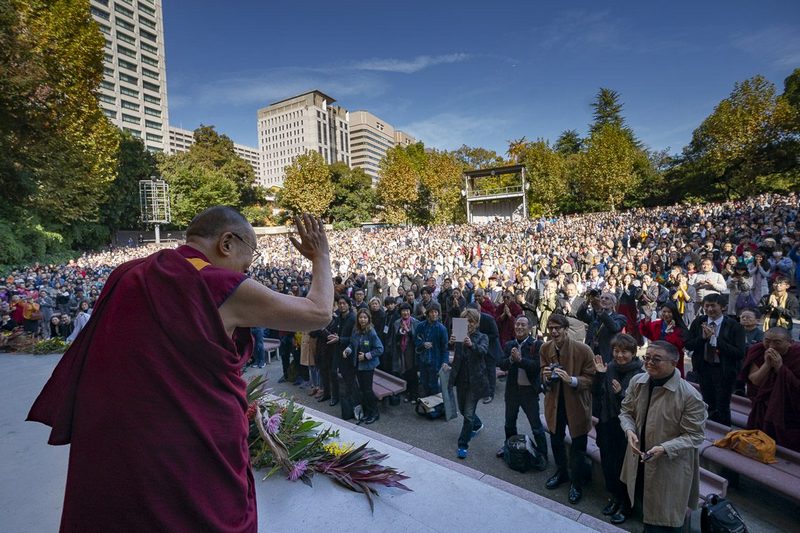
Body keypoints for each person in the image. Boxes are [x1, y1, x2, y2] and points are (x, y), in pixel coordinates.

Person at [28, 208, 332, 532]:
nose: (247, 273)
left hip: (117, 441)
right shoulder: (216, 282)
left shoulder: (129, 273)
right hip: (186, 446)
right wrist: (321, 256)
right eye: (247, 264)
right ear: (226, 243)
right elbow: (317, 313)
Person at [619, 340, 707, 532]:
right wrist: (629, 430)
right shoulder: (638, 382)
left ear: (674, 363)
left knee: (665, 518)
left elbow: (694, 436)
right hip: (640, 459)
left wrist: (665, 448)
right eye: (647, 358)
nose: (649, 363)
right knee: (645, 507)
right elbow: (626, 411)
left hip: (669, 466)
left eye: (656, 360)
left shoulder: (689, 396)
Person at [540, 314, 595, 504]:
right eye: (551, 328)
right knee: (556, 441)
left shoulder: (583, 350)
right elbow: (542, 374)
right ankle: (561, 472)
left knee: (578, 447)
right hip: (554, 404)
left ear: (565, 329)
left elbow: (591, 378)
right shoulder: (545, 348)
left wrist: (571, 380)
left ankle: (576, 483)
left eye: (558, 328)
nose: (554, 332)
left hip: (577, 405)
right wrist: (546, 376)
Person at [592, 334, 644, 525]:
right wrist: (599, 375)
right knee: (608, 464)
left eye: (624, 351)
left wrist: (620, 394)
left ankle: (626, 505)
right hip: (607, 423)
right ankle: (614, 497)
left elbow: (638, 407)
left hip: (627, 429)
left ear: (633, 353)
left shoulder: (639, 374)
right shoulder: (610, 367)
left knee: (625, 468)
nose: (619, 355)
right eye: (616, 351)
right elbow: (596, 394)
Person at [685, 293, 746, 426]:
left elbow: (739, 352)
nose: (710, 309)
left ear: (723, 307)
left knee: (723, 405)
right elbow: (688, 344)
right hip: (704, 367)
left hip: (724, 370)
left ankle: (724, 434)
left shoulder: (734, 326)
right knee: (707, 402)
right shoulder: (699, 322)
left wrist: (715, 340)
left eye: (713, 306)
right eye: (707, 306)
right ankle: (711, 432)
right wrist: (703, 338)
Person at [496, 316, 547, 460]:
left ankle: (542, 453)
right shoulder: (509, 344)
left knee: (536, 425)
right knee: (509, 423)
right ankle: (510, 447)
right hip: (512, 390)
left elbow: (536, 367)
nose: (519, 327)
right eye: (517, 324)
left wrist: (520, 360)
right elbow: (501, 363)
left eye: (523, 325)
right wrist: (511, 360)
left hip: (529, 391)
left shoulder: (537, 345)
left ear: (529, 328)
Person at [741, 327, 800, 451]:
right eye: (767, 341)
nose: (771, 346)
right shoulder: (757, 350)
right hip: (764, 407)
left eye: (777, 342)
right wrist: (767, 365)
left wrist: (780, 368)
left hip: (789, 410)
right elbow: (754, 380)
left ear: (790, 342)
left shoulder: (797, 355)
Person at [446, 308, 490, 459]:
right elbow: (455, 354)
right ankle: (477, 425)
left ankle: (463, 444)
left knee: (468, 414)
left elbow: (483, 351)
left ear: (477, 323)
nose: (468, 324)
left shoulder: (482, 336)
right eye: (466, 321)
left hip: (475, 381)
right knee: (463, 410)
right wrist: (450, 343)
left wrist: (472, 345)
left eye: (471, 321)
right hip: (460, 378)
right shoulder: (459, 331)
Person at [344, 308, 383, 424]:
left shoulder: (371, 332)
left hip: (368, 366)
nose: (362, 320)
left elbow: (380, 349)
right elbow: (352, 343)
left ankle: (375, 413)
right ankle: (367, 412)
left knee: (368, 390)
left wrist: (366, 355)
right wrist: (347, 350)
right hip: (358, 366)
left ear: (368, 319)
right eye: (361, 317)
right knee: (363, 390)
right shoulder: (355, 330)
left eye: (365, 317)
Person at [639, 302, 687, 377]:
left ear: (674, 313)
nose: (666, 314)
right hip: (657, 358)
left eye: (669, 312)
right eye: (664, 312)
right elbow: (646, 332)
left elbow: (678, 345)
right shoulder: (656, 324)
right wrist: (647, 319)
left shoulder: (679, 329)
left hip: (672, 360)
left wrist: (670, 333)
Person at [579, 292, 628, 363]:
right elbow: (580, 315)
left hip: (606, 354)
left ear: (613, 304)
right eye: (601, 298)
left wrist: (600, 311)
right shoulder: (594, 315)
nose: (603, 300)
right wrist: (587, 301)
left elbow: (614, 327)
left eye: (607, 298)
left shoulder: (620, 318)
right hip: (591, 352)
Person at [327, 295, 356, 408]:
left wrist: (340, 339)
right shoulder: (338, 317)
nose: (342, 305)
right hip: (337, 349)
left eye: (344, 303)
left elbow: (354, 338)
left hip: (348, 351)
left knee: (347, 376)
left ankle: (349, 398)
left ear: (348, 305)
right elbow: (334, 331)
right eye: (340, 303)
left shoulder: (353, 318)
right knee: (333, 372)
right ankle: (335, 396)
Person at [414, 303, 449, 396]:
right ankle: (426, 406)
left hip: (435, 361)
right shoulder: (421, 326)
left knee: (435, 387)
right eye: (432, 312)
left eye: (436, 312)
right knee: (424, 384)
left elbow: (445, 348)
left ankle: (436, 409)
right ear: (428, 313)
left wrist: (445, 361)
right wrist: (422, 344)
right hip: (423, 360)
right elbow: (416, 339)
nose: (434, 314)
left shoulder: (442, 329)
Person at [389, 303, 420, 402]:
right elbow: (394, 338)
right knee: (404, 371)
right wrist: (399, 333)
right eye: (403, 311)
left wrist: (408, 331)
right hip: (401, 350)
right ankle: (407, 393)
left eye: (407, 310)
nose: (405, 312)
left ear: (410, 312)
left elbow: (418, 338)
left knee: (412, 372)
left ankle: (414, 395)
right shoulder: (397, 322)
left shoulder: (415, 322)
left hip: (411, 350)